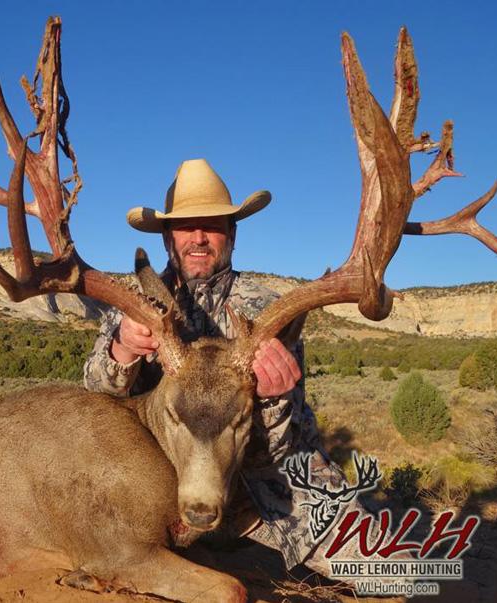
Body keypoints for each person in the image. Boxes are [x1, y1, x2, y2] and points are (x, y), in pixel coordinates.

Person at [83, 158, 370, 581]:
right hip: (160, 477)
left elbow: (282, 442)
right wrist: (122, 349)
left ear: (231, 235)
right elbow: (95, 402)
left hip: (265, 484)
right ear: (167, 239)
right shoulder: (136, 304)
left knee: (379, 567)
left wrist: (274, 399)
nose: (199, 238)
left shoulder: (268, 311)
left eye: (213, 225)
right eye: (185, 226)